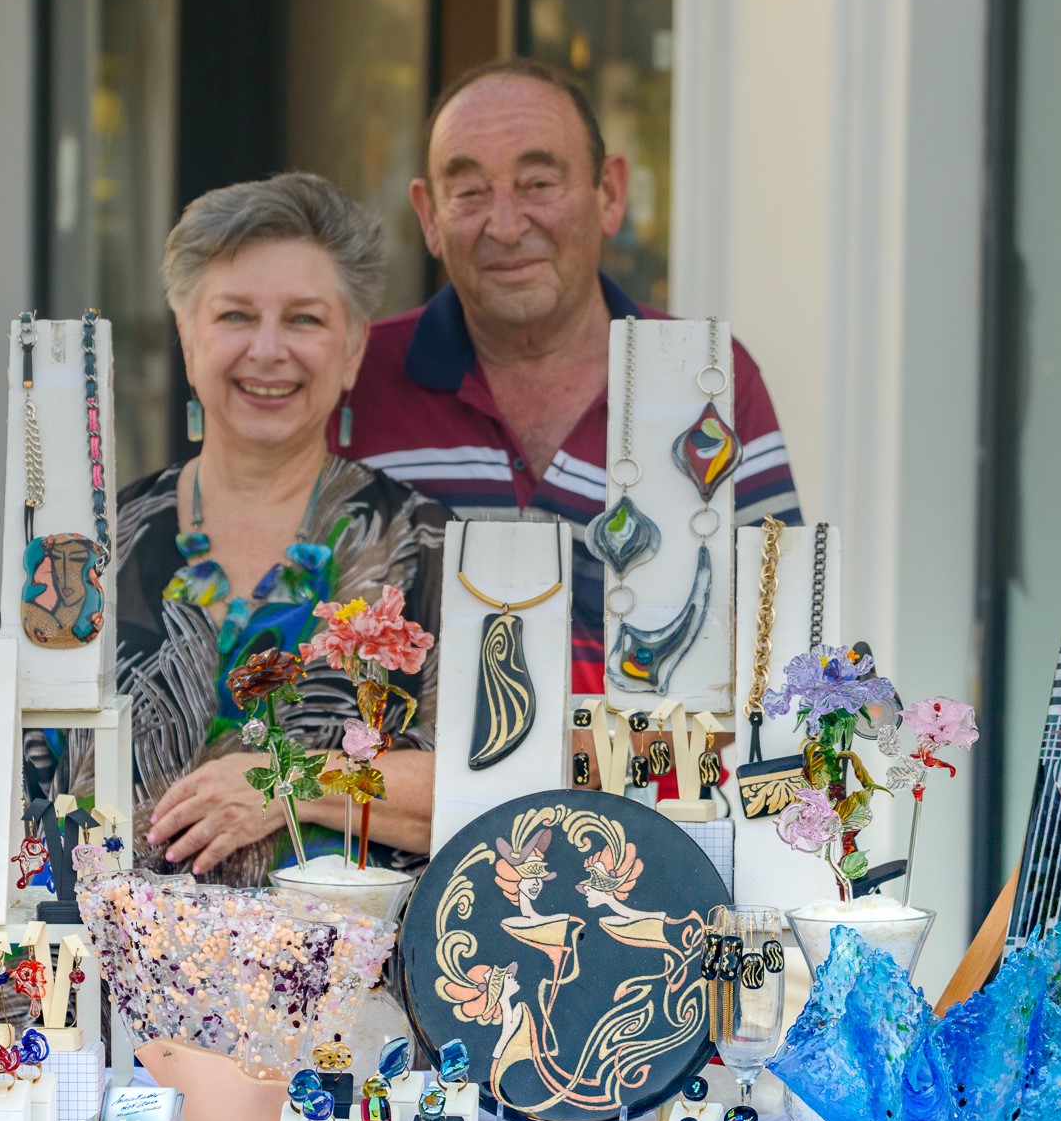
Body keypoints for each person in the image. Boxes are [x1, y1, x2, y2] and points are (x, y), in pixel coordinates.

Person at [342, 59, 803, 695]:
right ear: (428, 216)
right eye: (469, 192)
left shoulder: (708, 380)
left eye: (538, 184)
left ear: (609, 194)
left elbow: (778, 638)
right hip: (394, 763)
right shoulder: (355, 379)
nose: (506, 226)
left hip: (650, 764)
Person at [55, 172, 448, 886]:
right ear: (188, 336)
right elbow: (0, 763)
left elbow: (489, 785)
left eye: (304, 320)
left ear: (354, 347)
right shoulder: (87, 549)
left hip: (353, 960)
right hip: (92, 958)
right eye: (235, 316)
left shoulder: (424, 547)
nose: (268, 350)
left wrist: (291, 780)